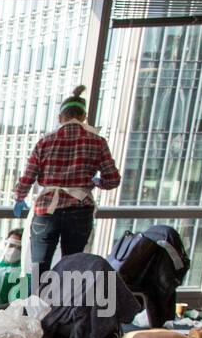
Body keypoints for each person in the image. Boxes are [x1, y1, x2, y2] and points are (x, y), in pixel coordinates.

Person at [11, 86, 120, 283]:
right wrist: (94, 182)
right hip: (80, 209)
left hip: (47, 210)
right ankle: (65, 311)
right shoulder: (97, 142)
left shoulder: (45, 142)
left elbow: (28, 177)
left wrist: (19, 198)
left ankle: (37, 310)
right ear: (83, 116)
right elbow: (113, 179)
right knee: (72, 269)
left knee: (39, 269)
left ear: (60, 117)